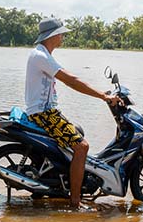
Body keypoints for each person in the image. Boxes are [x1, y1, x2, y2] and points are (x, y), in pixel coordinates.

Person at [25, 17, 121, 208]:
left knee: (78, 132)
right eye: (61, 33)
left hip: (46, 111)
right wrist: (102, 95)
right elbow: (71, 80)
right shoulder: (41, 57)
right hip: (44, 114)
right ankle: (75, 202)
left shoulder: (43, 54)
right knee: (82, 147)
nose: (63, 37)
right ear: (53, 35)